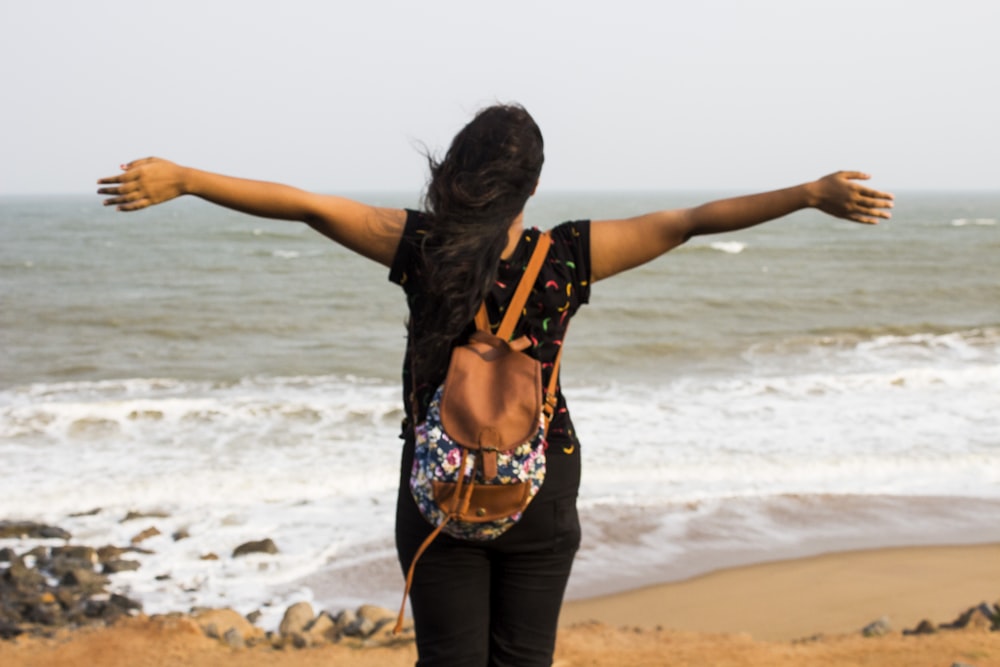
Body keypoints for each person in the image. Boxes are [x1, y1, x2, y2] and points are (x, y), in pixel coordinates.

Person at [97, 103, 894, 667]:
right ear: (532, 188)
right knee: (524, 659)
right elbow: (691, 220)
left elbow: (307, 207)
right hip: (540, 486)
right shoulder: (572, 254)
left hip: (437, 486)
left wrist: (188, 177)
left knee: (449, 659)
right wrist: (808, 194)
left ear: (455, 172)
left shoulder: (418, 244)